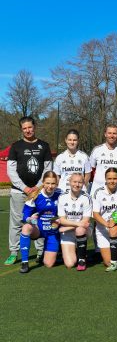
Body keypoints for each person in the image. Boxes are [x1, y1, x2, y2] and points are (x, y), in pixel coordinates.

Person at [6, 116, 53, 266]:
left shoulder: (44, 146)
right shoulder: (16, 146)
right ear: (21, 129)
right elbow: (11, 171)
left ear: (34, 127)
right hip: (19, 192)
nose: (27, 130)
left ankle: (40, 251)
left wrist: (37, 187)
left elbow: (48, 170)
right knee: (17, 222)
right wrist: (25, 188)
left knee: (39, 220)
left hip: (39, 192)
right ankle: (14, 253)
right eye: (24, 128)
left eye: (30, 127)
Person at [18, 171, 61, 274]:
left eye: (53, 183)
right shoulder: (35, 195)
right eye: (47, 183)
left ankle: (47, 252)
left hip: (53, 232)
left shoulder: (61, 194)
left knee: (48, 264)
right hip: (39, 229)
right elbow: (25, 216)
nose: (50, 186)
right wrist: (31, 219)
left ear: (56, 184)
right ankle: (24, 262)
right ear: (43, 182)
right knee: (26, 227)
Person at [92, 168, 117, 272]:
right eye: (109, 178)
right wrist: (107, 224)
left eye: (115, 178)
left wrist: (115, 221)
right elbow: (95, 214)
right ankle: (115, 254)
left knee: (114, 229)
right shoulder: (98, 192)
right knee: (107, 262)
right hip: (103, 229)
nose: (112, 181)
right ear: (105, 179)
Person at [57, 173, 92, 271]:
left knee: (80, 230)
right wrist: (76, 224)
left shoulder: (86, 198)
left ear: (83, 183)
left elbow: (85, 222)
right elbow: (62, 219)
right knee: (70, 264)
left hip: (83, 230)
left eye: (80, 182)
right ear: (69, 182)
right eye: (74, 182)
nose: (77, 184)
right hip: (68, 231)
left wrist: (67, 227)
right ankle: (78, 250)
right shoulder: (62, 197)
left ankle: (82, 260)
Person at [89, 124, 117, 193]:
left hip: (116, 191)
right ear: (105, 134)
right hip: (98, 189)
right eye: (109, 133)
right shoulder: (97, 150)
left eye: (114, 133)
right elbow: (91, 171)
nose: (112, 136)